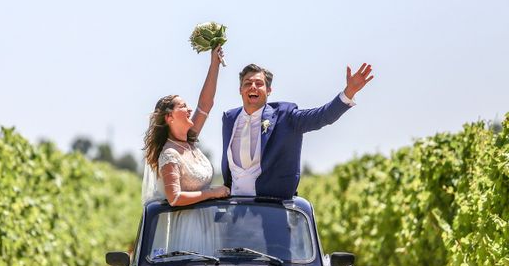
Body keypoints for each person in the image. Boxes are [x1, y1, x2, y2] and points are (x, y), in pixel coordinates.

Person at [222, 63, 374, 199]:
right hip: (234, 210)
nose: (253, 86)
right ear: (240, 89)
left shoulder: (286, 116)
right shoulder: (230, 118)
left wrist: (348, 92)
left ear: (268, 90)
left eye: (259, 83)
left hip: (271, 210)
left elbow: (322, 116)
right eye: (247, 83)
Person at [143, 47, 230, 206]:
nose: (190, 109)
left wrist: (214, 64)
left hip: (205, 222)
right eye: (183, 106)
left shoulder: (188, 141)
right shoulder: (170, 153)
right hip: (185, 225)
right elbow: (174, 198)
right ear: (170, 117)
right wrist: (212, 193)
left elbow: (205, 104)